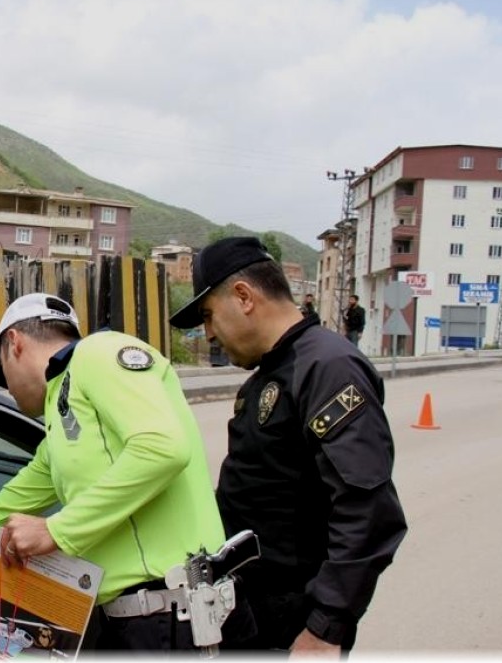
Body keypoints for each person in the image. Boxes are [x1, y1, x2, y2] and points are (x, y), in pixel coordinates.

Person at [0, 292, 231, 651]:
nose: (7, 388)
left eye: (1, 373)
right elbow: (3, 508)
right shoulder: (59, 415)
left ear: (14, 343)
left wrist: (56, 530)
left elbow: (161, 447)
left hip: (176, 615)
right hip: (134, 620)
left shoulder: (97, 354)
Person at [169, 236, 407, 655]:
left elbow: (368, 510)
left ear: (243, 296)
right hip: (250, 609)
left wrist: (325, 628)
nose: (208, 334)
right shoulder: (271, 373)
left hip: (294, 621)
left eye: (208, 316)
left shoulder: (328, 367)